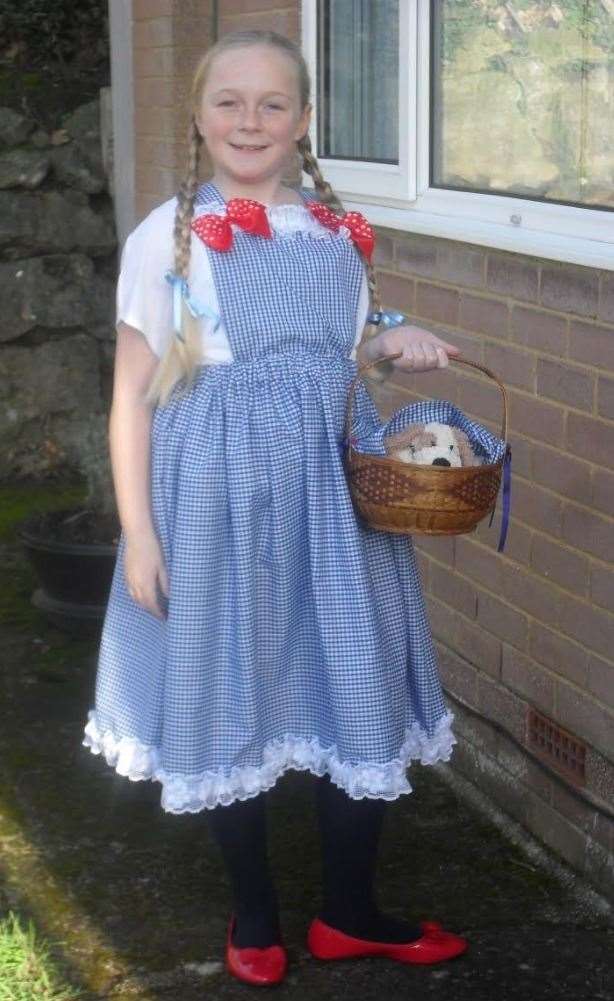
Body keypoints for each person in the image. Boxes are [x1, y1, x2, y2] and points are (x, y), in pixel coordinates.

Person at [83, 29, 468, 987]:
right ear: (199, 116)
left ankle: (349, 913)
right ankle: (254, 913)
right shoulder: (167, 236)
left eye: (271, 105)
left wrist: (394, 343)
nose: (249, 121)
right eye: (230, 102)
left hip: (335, 501)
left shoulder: (339, 231)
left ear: (303, 121)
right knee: (227, 681)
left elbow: (343, 357)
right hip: (218, 502)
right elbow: (131, 397)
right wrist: (139, 534)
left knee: (358, 676)